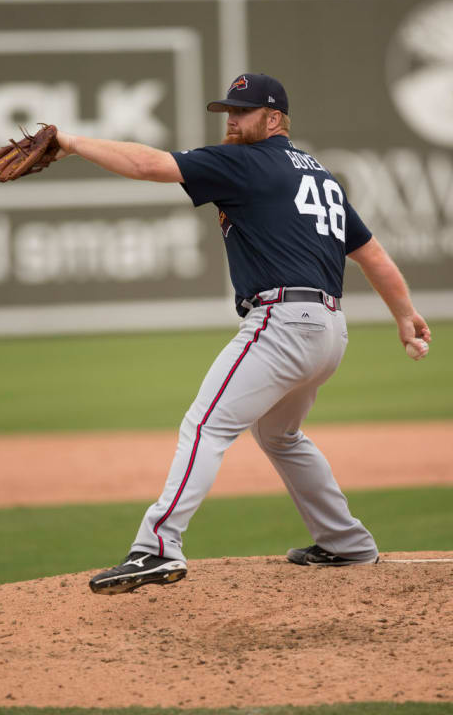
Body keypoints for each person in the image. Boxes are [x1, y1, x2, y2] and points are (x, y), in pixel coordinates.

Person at [55, 73, 431, 595]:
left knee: (205, 425)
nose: (231, 120)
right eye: (228, 111)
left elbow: (147, 164)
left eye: (243, 111)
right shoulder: (319, 174)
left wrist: (70, 142)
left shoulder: (246, 162)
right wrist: (405, 315)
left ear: (273, 118)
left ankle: (157, 547)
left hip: (282, 323)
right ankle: (345, 542)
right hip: (328, 330)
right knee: (279, 434)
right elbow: (370, 253)